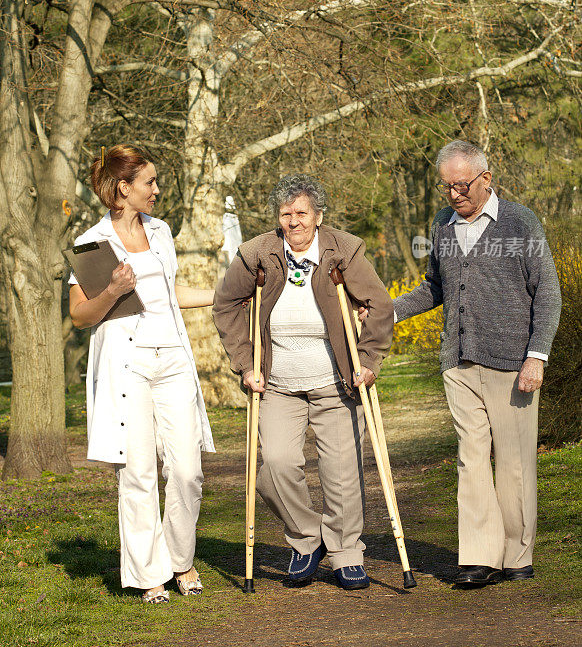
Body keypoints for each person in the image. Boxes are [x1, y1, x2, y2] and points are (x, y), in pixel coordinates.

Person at [392, 140, 561, 587]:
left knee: (514, 462)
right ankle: (479, 557)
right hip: (459, 360)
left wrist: (536, 356)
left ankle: (516, 555)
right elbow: (435, 287)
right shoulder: (443, 226)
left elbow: (546, 293)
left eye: (462, 185)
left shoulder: (520, 223)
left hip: (513, 363)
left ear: (486, 178)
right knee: (471, 457)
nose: (453, 195)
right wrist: (388, 312)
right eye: (446, 186)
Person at [213, 174, 393, 590]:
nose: (293, 222)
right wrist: (244, 364)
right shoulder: (258, 253)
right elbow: (225, 305)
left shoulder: (343, 250)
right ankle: (307, 540)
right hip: (276, 382)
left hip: (336, 380)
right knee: (275, 465)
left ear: (318, 215)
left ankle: (347, 553)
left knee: (342, 471)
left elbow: (379, 305)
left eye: (301, 213)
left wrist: (367, 360)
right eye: (285, 214)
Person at [69, 144, 215, 603]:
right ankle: (150, 574)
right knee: (137, 473)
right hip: (125, 364)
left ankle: (180, 558)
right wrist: (113, 288)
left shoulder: (162, 231)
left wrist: (228, 292)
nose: (156, 190)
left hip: (172, 358)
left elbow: (170, 294)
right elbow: (79, 316)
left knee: (187, 470)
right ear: (122, 189)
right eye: (148, 182)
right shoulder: (91, 242)